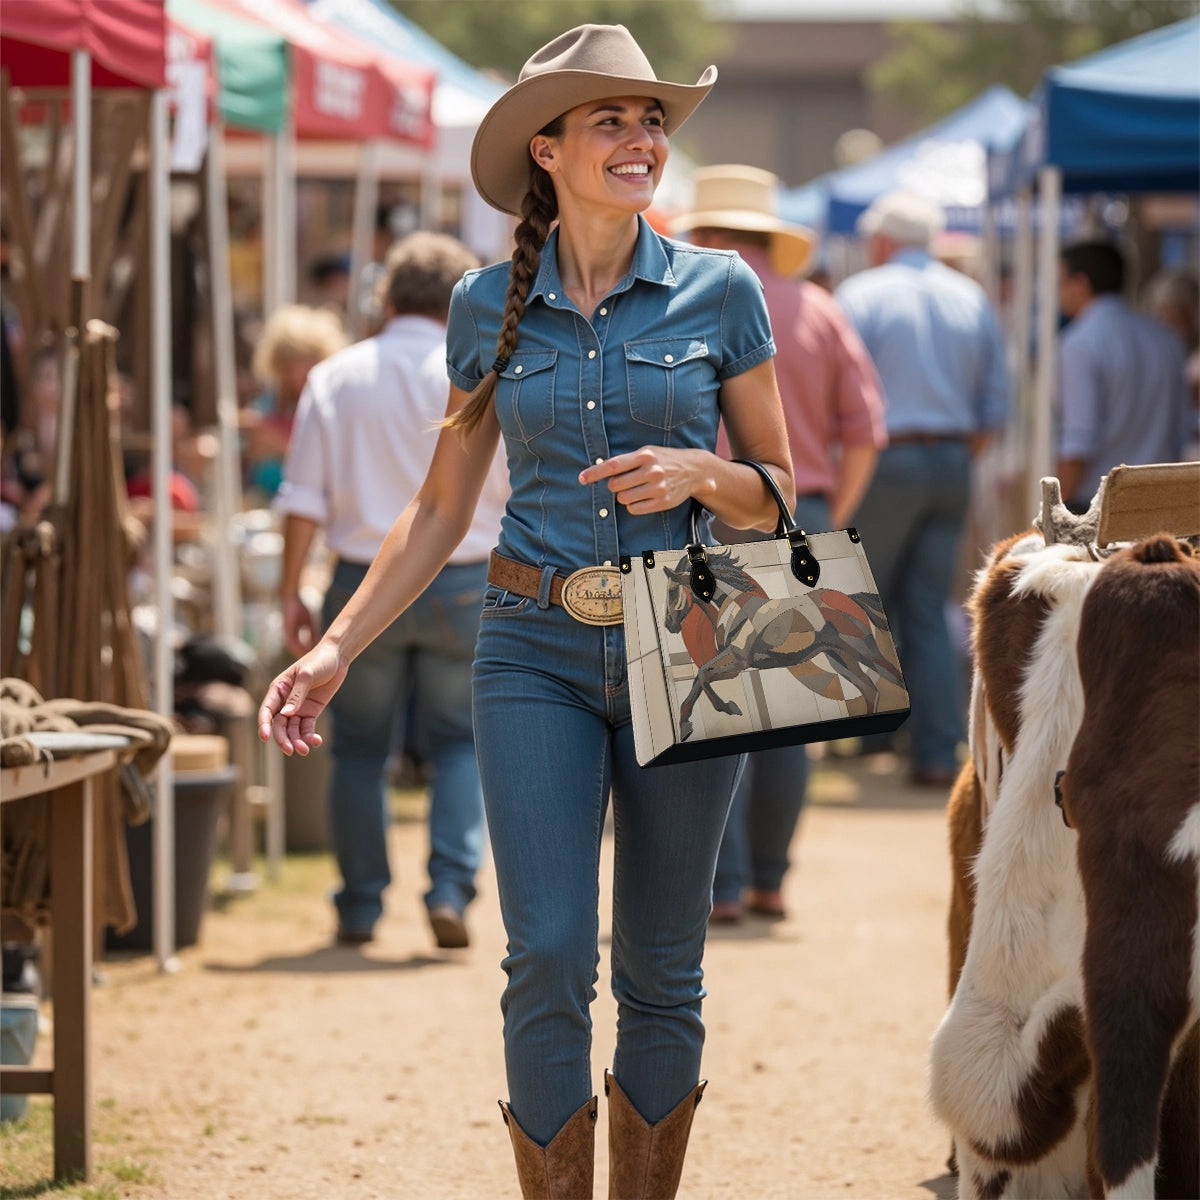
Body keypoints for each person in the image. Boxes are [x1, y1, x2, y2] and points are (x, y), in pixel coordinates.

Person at [259, 23, 794, 1198]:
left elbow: (781, 496)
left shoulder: (722, 289)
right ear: (545, 150)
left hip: (694, 644)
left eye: (651, 117)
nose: (642, 137)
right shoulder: (482, 306)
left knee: (663, 965)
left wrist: (702, 476)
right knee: (545, 953)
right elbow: (441, 506)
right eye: (611, 118)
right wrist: (338, 645)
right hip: (529, 649)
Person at [275, 231, 508, 950]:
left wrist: (292, 589)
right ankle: (449, 887)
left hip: (359, 580)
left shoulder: (339, 375)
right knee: (461, 746)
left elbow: (303, 499)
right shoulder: (485, 369)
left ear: (386, 296)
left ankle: (361, 904)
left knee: (356, 750)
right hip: (468, 574)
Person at [671, 164, 886, 923]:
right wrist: (823, 509)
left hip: (704, 509)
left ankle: (719, 886)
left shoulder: (682, 302)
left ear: (707, 234)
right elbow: (866, 431)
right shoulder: (820, 310)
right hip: (805, 508)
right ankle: (769, 879)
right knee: (795, 704)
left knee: (715, 696)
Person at [835, 191, 1009, 788]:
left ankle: (876, 729)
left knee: (865, 598)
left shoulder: (861, 294)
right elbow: (995, 406)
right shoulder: (972, 298)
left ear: (883, 241)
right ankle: (937, 749)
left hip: (887, 459)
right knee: (929, 607)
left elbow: (842, 397)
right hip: (954, 460)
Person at [1056, 242, 1194, 510]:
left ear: (1080, 283)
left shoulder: (1080, 342)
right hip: (1161, 502)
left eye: (1060, 282)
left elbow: (1078, 442)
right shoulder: (1165, 338)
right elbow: (1182, 428)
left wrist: (1057, 510)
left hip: (1098, 505)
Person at [242, 304, 347, 503]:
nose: (297, 374)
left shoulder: (335, 405)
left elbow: (339, 465)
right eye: (289, 366)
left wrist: (282, 448)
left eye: (306, 362)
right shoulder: (268, 405)